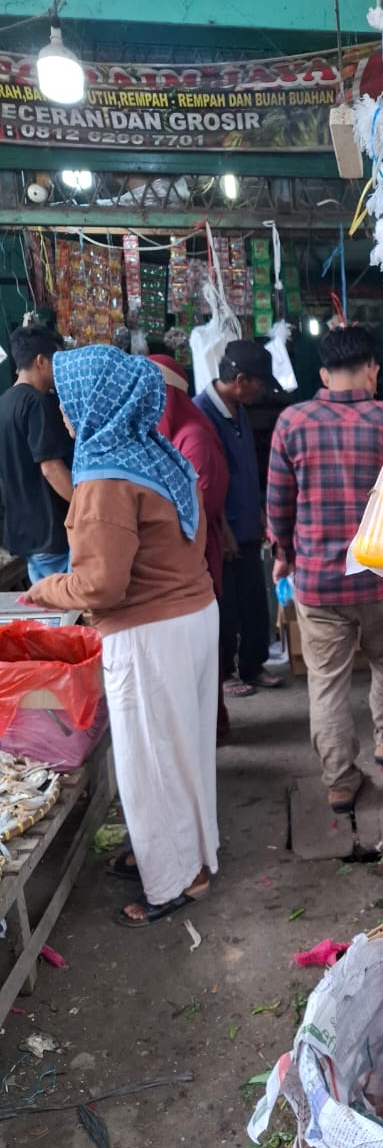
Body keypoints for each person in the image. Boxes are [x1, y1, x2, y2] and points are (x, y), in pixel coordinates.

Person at [24, 345, 219, 927]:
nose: (63, 411)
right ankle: (187, 858)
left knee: (152, 762)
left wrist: (49, 590)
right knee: (183, 755)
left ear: (98, 401)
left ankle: (175, 881)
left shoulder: (106, 474)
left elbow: (102, 585)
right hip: (190, 616)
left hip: (150, 632)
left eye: (68, 399)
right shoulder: (155, 455)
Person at [267, 325, 383, 814]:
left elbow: (279, 502)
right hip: (380, 575)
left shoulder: (291, 421)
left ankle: (340, 781)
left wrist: (282, 552)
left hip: (317, 580)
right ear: (372, 369)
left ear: (325, 375)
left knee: (326, 680)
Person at [152, 354, 233, 743]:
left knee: (201, 651)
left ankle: (212, 726)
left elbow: (200, 508)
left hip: (195, 555)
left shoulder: (194, 438)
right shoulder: (172, 436)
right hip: (180, 558)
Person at [196, 341, 284, 697]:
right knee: (225, 609)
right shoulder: (202, 414)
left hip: (248, 525)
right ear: (240, 380)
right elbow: (206, 481)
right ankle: (227, 671)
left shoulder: (238, 410)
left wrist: (261, 508)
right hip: (224, 532)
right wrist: (224, 528)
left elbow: (245, 468)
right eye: (259, 384)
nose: (261, 391)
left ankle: (252, 664)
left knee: (254, 604)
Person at [0, 321, 72, 582]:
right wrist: (84, 507)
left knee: (46, 612)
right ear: (40, 360)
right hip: (50, 531)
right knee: (68, 612)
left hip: (24, 533)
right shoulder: (38, 404)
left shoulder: (5, 402)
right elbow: (51, 468)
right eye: (57, 361)